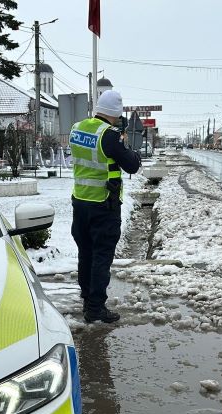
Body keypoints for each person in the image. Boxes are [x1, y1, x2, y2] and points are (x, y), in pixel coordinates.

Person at [69, 90, 141, 323]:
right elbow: (131, 165)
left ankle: (86, 295)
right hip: (103, 204)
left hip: (80, 202)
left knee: (85, 252)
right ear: (117, 113)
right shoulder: (110, 135)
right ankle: (95, 308)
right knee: (101, 256)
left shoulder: (77, 128)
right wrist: (133, 152)